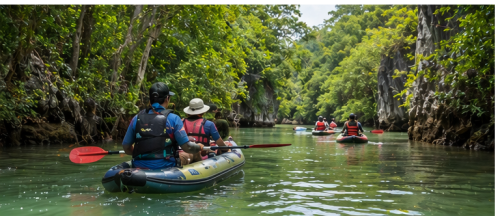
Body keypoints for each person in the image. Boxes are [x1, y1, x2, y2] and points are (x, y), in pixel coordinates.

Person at [122, 82, 205, 169]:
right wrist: (199, 147)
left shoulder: (136, 118)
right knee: (194, 152)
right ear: (167, 98)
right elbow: (187, 147)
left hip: (139, 165)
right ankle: (201, 174)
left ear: (150, 100)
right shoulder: (174, 118)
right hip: (167, 166)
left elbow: (126, 147)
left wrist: (143, 153)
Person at [182, 98, 229, 162]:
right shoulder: (209, 124)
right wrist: (227, 148)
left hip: (185, 153)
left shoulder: (181, 122)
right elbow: (221, 144)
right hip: (202, 156)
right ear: (202, 111)